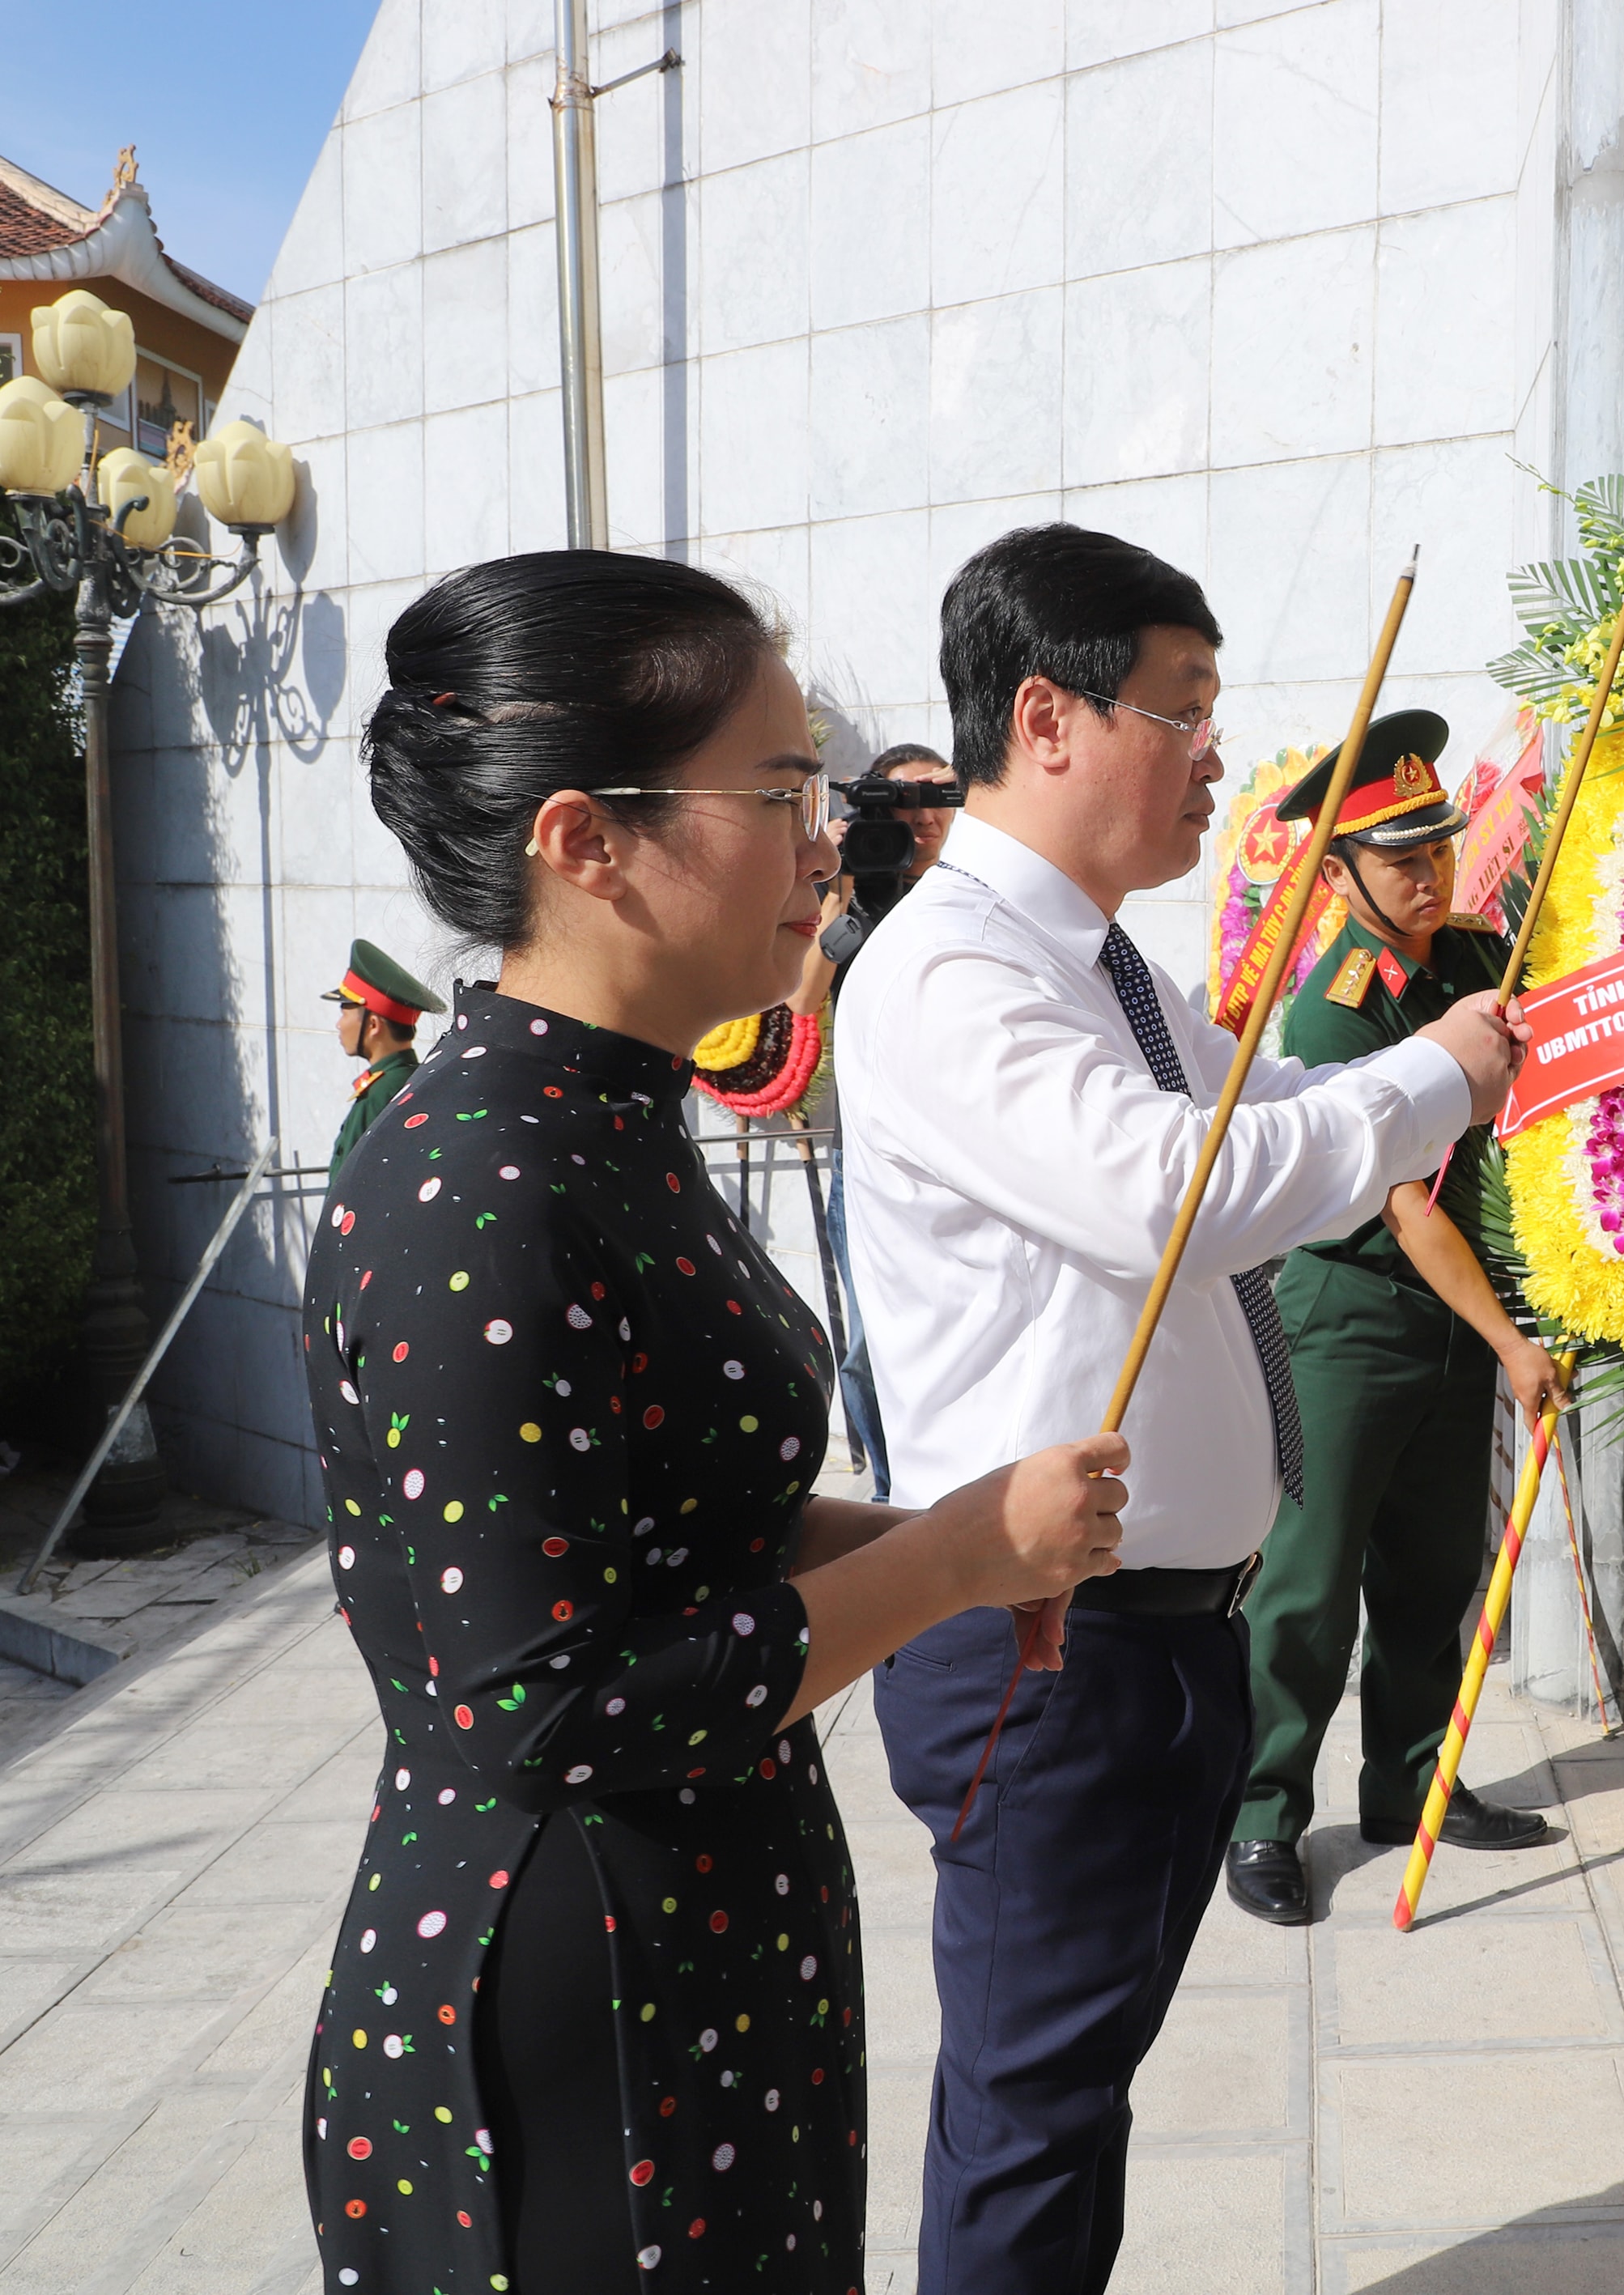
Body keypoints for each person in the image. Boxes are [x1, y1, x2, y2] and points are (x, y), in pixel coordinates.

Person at [302, 550, 1131, 2295]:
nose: (828, 844)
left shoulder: (609, 1111)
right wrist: (960, 1552)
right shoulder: (484, 1182)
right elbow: (553, 1698)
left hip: (702, 1923)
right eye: (777, 792)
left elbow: (685, 1525)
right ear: (582, 840)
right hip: (571, 1979)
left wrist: (944, 1544)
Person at [835, 525, 1526, 2294]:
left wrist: (1461, 1062)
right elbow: (1182, 1192)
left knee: (1078, 2100)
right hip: (1043, 1644)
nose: (1219, 755)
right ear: (1051, 716)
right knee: (1027, 2112)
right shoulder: (951, 970)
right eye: (1187, 709)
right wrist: (1429, 1077)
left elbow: (1274, 1110)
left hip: (1160, 1640)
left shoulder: (1109, 965)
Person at [1223, 711, 1560, 1927]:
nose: (1430, 876)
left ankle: (1409, 1782)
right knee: (1309, 1584)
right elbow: (1408, 1204)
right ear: (1339, 874)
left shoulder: (1473, 963)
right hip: (1353, 1313)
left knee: (1432, 1569)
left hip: (1451, 1313)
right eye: (1402, 859)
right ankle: (1262, 1812)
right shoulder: (1335, 1011)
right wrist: (1516, 1342)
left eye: (1441, 849)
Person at [814, 741, 959, 1499]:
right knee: (868, 1343)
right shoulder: (853, 891)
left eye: (937, 799)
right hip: (865, 1156)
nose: (921, 818)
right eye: (901, 803)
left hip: (958, 1149)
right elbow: (800, 1001)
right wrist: (839, 887)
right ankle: (888, 1491)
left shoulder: (975, 899)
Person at [321, 937, 442, 1179]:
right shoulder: (416, 1077)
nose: (338, 1024)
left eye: (345, 1014)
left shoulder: (379, 1094)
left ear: (373, 1025)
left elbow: (347, 1185)